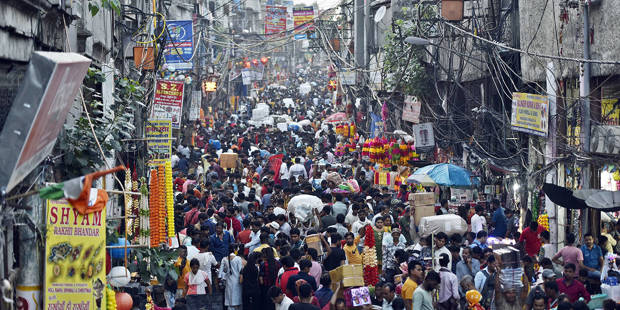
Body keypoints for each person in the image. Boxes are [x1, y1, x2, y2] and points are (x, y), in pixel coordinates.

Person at [219, 244, 243, 310]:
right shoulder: (238, 259)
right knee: (236, 300)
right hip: (237, 282)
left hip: (228, 282)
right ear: (235, 249)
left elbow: (220, 273)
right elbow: (241, 270)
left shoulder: (224, 259)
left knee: (229, 301)